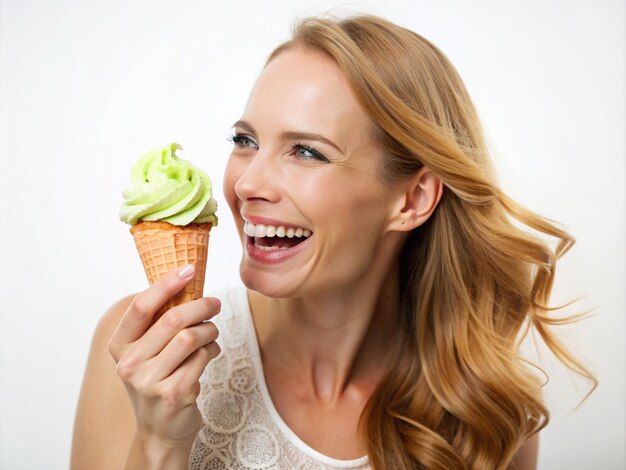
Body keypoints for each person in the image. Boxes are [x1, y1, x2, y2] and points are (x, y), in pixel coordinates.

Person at [71, 14, 596, 470]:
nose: (248, 183)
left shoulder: (486, 411)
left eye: (306, 152)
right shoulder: (141, 355)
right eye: (245, 141)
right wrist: (160, 443)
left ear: (412, 200)